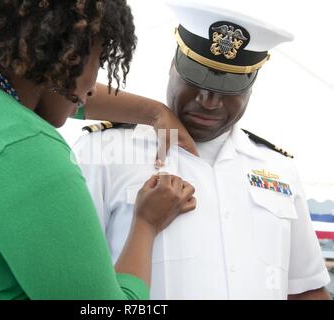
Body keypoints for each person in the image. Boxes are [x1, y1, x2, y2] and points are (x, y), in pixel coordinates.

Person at [0, 0, 197, 299]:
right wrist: (146, 222)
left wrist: (153, 112)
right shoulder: (25, 150)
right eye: (99, 61)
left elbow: (57, 94)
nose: (91, 87)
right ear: (67, 53)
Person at [74, 1, 331, 299]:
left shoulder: (279, 169)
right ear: (172, 67)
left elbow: (304, 289)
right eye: (197, 81)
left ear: (251, 86)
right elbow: (70, 282)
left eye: (228, 89)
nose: (209, 100)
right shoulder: (103, 151)